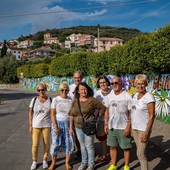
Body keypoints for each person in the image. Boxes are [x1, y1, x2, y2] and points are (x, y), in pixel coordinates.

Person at [70, 82, 106, 170]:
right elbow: (71, 114)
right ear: (78, 91)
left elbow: (103, 108)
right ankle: (84, 163)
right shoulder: (75, 101)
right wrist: (71, 127)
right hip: (78, 127)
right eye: (81, 89)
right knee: (82, 146)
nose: (83, 91)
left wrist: (97, 118)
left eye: (85, 89)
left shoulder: (92, 100)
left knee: (89, 145)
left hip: (90, 126)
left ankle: (91, 164)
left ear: (88, 90)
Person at [104, 77, 132, 170]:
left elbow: (131, 113)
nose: (114, 85)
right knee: (112, 146)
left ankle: (126, 166)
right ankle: (114, 165)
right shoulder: (109, 96)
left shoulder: (127, 96)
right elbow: (107, 110)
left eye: (116, 83)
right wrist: (106, 124)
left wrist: (128, 126)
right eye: (112, 83)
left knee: (126, 147)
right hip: (112, 126)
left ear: (121, 83)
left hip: (123, 126)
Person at [131, 74, 155, 170]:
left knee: (140, 154)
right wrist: (131, 128)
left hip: (143, 129)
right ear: (135, 84)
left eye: (142, 84)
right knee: (142, 153)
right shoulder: (135, 95)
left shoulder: (149, 97)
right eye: (138, 83)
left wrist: (146, 132)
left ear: (146, 84)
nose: (140, 86)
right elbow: (132, 112)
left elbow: (152, 116)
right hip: (135, 128)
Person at [48, 82, 73, 170]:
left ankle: (67, 163)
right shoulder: (55, 99)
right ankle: (53, 163)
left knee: (69, 143)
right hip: (57, 123)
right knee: (55, 144)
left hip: (67, 124)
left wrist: (70, 127)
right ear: (59, 90)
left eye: (66, 90)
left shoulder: (71, 100)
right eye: (62, 90)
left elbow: (71, 115)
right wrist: (55, 126)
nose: (64, 92)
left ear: (68, 91)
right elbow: (52, 114)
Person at [29, 83, 51, 170]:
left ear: (46, 90)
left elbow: (53, 113)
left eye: (43, 90)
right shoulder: (34, 100)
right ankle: (34, 161)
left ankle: (45, 159)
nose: (41, 91)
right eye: (39, 90)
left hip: (47, 125)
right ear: (37, 91)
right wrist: (30, 125)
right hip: (36, 125)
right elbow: (30, 113)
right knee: (35, 145)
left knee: (46, 143)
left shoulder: (50, 100)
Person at [94, 75, 111, 162]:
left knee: (112, 139)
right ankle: (104, 155)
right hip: (100, 120)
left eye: (104, 82)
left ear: (107, 82)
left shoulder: (113, 92)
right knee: (102, 139)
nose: (103, 84)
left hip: (112, 120)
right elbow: (94, 107)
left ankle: (113, 157)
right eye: (100, 83)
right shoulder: (97, 94)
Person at [68, 71, 83, 158]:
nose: (77, 79)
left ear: (81, 77)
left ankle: (87, 150)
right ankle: (79, 150)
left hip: (84, 115)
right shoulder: (70, 88)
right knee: (76, 134)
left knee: (86, 133)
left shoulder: (85, 87)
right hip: (74, 115)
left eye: (79, 78)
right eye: (75, 78)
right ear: (73, 78)